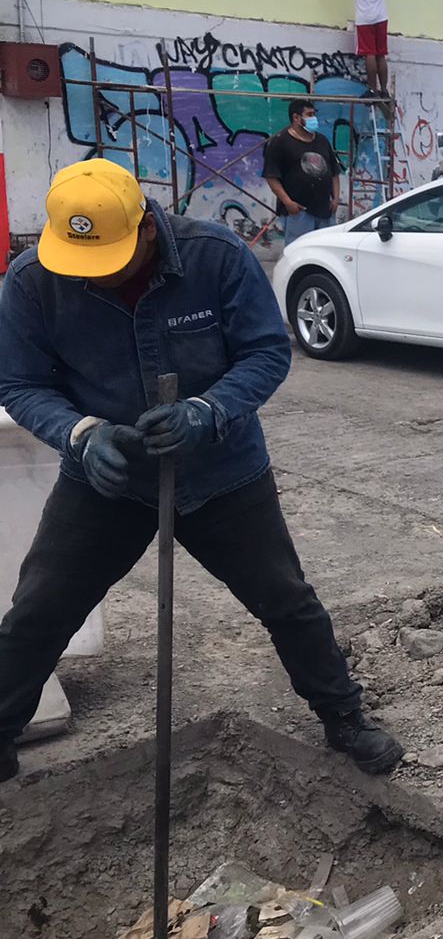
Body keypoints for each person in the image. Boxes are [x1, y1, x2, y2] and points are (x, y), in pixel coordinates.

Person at [0, 159, 403, 783]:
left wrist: (207, 410)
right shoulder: (34, 280)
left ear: (148, 230)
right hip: (107, 478)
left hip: (222, 471)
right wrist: (80, 435)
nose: (98, 282)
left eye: (111, 263)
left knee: (286, 599)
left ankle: (343, 716)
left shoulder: (214, 256)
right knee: (39, 609)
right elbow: (21, 383)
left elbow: (267, 352)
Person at [264, 99, 342, 245]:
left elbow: (334, 172)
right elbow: (271, 176)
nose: (314, 119)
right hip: (299, 212)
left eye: (314, 114)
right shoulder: (280, 142)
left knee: (326, 252)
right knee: (298, 251)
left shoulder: (322, 140)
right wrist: (288, 203)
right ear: (296, 118)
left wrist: (336, 198)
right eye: (309, 114)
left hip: (325, 211)